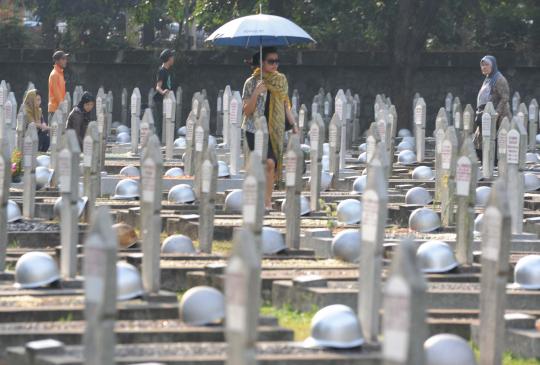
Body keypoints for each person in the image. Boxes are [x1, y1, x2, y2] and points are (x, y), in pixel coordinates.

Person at [242, 47, 298, 210]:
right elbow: (247, 111)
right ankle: (256, 196)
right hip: (254, 130)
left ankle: (267, 201)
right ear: (261, 62)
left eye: (277, 61)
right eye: (270, 61)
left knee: (271, 164)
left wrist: (294, 125)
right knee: (265, 163)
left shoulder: (280, 81)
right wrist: (256, 93)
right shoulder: (251, 82)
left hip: (274, 130)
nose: (275, 64)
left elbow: (284, 105)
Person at [474, 55, 510, 161]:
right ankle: (486, 163)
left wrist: (497, 113)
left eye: (486, 65)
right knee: (479, 141)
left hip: (497, 117)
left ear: (493, 65)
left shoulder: (499, 79)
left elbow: (505, 98)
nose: (484, 67)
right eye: (482, 65)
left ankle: (492, 164)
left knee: (495, 141)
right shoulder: (488, 78)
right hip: (486, 115)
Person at [153, 48, 175, 142]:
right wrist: (163, 92)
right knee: (160, 123)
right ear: (169, 59)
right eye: (172, 57)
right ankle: (158, 143)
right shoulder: (161, 70)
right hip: (160, 100)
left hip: (166, 100)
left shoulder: (167, 70)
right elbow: (158, 87)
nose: (173, 59)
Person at [48, 50, 68, 121]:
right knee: (54, 132)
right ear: (56, 61)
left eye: (65, 59)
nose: (65, 61)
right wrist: (63, 108)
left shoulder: (60, 74)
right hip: (55, 110)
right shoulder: (55, 74)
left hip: (59, 109)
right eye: (63, 59)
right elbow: (57, 93)